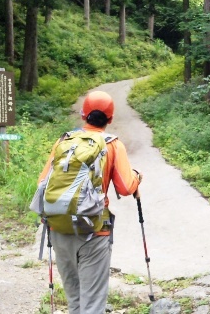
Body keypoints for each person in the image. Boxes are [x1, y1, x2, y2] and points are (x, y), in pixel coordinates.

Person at [37, 90, 142, 314]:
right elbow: (125, 186)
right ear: (110, 119)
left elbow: (43, 182)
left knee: (74, 299)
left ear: (84, 115)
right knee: (92, 303)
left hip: (58, 227)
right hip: (94, 231)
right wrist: (137, 178)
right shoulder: (113, 145)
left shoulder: (64, 141)